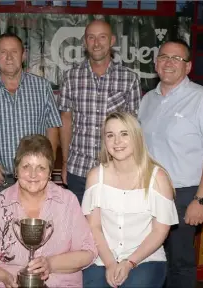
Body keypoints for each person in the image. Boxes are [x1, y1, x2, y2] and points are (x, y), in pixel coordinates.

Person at [138, 39, 203, 288]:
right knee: (151, 259)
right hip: (149, 193)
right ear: (156, 63)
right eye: (164, 57)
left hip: (183, 195)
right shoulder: (147, 100)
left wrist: (200, 200)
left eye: (177, 58)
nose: (169, 62)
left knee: (180, 263)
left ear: (188, 67)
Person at [0, 134, 97, 288]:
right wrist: (4, 276)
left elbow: (88, 251)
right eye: (26, 167)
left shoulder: (67, 202)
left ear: (50, 172)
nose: (33, 175)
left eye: (41, 168)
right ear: (16, 170)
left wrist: (51, 264)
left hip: (57, 282)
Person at [82, 112, 179, 288]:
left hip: (145, 259)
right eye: (110, 135)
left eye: (124, 134)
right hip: (103, 257)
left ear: (137, 137)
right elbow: (93, 226)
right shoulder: (95, 177)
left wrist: (129, 263)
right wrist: (110, 262)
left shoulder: (158, 178)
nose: (117, 141)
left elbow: (159, 231)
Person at [58, 19, 141, 204]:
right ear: (84, 43)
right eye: (91, 37)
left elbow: (133, 128)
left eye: (102, 37)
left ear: (112, 41)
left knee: (112, 229)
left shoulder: (129, 79)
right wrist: (64, 162)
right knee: (78, 229)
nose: (97, 43)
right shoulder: (71, 77)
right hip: (78, 169)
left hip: (115, 169)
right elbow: (66, 120)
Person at [0, 33, 62, 199]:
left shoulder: (41, 87)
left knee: (35, 224)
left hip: (35, 178)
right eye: (3, 52)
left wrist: (48, 164)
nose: (9, 57)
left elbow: (52, 127)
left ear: (24, 55)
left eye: (14, 51)